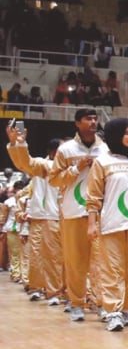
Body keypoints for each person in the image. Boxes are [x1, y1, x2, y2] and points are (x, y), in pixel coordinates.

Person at [49, 109, 109, 322]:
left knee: (101, 261)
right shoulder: (66, 150)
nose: (93, 122)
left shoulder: (104, 148)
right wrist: (77, 168)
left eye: (95, 118)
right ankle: (76, 303)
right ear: (77, 123)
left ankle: (102, 303)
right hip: (73, 211)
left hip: (100, 212)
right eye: (88, 119)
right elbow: (54, 180)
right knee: (75, 260)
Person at [85, 118, 128, 332]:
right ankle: (113, 311)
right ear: (115, 135)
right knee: (111, 270)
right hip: (111, 223)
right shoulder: (102, 162)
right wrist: (92, 223)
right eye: (126, 133)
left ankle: (126, 309)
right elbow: (94, 196)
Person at [6, 127, 63, 306]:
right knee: (36, 255)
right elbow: (23, 163)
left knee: (55, 256)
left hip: (57, 217)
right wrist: (17, 143)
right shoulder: (41, 165)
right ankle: (37, 287)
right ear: (53, 151)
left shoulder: (67, 168)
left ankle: (55, 292)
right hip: (37, 216)